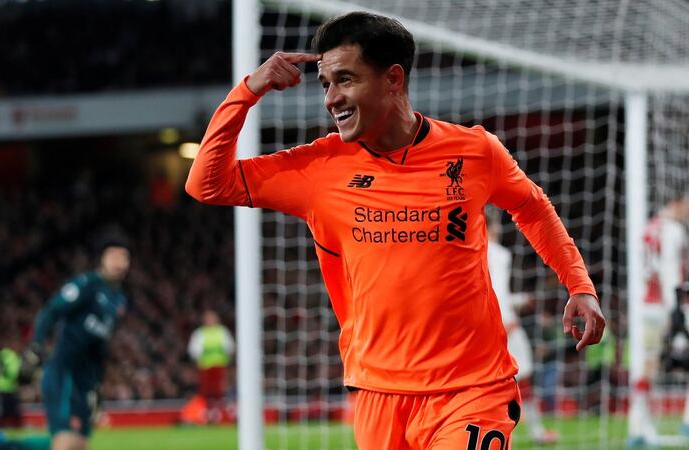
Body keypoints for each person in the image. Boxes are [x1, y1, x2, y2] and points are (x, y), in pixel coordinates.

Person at [185, 11, 606, 449]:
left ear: (393, 79)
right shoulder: (319, 169)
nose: (331, 99)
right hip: (377, 393)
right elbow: (206, 183)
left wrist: (578, 284)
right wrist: (249, 90)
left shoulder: (475, 152)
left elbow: (533, 208)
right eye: (326, 84)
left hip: (471, 390)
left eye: (345, 79)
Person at [0, 234, 131, 450]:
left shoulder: (120, 300)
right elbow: (50, 312)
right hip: (64, 374)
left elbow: (101, 347)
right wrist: (35, 347)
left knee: (77, 445)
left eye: (124, 256)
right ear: (101, 258)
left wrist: (97, 385)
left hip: (84, 381)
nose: (119, 261)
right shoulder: (86, 285)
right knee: (66, 444)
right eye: (113, 255)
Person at [486, 213, 558, 444]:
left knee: (486, 384)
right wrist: (506, 317)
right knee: (523, 379)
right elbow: (497, 290)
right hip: (505, 325)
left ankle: (494, 433)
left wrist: (517, 300)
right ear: (491, 226)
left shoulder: (464, 251)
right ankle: (535, 432)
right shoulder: (498, 253)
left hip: (478, 327)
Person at [628, 193, 689, 447]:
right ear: (675, 203)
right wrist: (675, 311)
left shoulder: (647, 228)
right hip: (667, 306)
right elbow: (669, 272)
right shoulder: (673, 230)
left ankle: (639, 427)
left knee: (647, 368)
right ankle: (686, 422)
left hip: (645, 306)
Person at [184, 309, 235, 424]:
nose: (211, 320)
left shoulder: (222, 332)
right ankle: (208, 415)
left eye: (212, 317)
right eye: (208, 318)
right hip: (205, 368)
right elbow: (193, 351)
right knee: (207, 393)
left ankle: (220, 415)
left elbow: (230, 348)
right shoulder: (200, 333)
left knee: (220, 393)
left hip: (220, 367)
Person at [0, 339, 23, 429]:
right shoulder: (12, 356)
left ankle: (6, 425)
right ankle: (3, 426)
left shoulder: (3, 354)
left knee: (9, 407)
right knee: (8, 408)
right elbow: (13, 372)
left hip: (2, 385)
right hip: (8, 386)